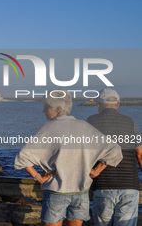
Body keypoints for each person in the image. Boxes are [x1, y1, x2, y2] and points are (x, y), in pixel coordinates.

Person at [14, 90, 123, 226]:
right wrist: (96, 171)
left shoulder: (48, 128)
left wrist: (39, 178)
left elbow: (22, 157)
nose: (43, 111)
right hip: (80, 192)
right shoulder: (84, 127)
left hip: (56, 192)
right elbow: (114, 150)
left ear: (58, 109)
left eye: (46, 107)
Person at [87, 88, 142, 226]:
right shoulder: (130, 123)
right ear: (118, 105)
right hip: (129, 185)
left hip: (102, 185)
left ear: (98, 105)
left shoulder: (91, 122)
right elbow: (140, 154)